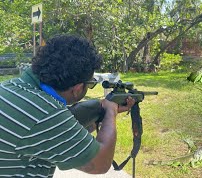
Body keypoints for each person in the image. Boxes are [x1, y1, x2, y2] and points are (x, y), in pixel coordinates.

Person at [0, 34, 134, 177]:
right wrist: (110, 112)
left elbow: (59, 137)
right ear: (77, 89)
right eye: (90, 84)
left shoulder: (10, 87)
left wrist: (99, 113)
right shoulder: (46, 113)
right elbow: (99, 164)